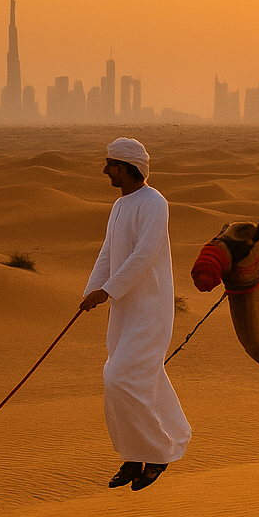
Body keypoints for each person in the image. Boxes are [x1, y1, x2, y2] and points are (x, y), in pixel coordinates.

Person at [80, 137, 192, 491]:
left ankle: (158, 452)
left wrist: (107, 290)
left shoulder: (154, 203)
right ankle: (132, 456)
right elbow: (109, 251)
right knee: (127, 379)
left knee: (119, 376)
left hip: (150, 308)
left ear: (128, 167)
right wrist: (91, 291)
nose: (106, 170)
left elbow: (143, 257)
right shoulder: (121, 205)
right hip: (124, 309)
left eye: (111, 164)